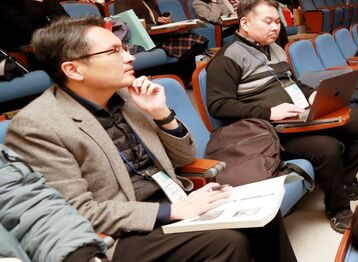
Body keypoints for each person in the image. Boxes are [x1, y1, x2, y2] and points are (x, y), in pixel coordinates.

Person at [5, 16, 297, 262]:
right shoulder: (38, 125)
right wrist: (172, 211)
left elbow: (186, 160)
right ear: (73, 69)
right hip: (120, 231)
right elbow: (77, 211)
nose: (129, 57)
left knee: (265, 214)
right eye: (114, 52)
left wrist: (161, 115)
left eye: (124, 48)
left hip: (173, 199)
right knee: (228, 242)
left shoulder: (128, 97)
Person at [205, 0, 358, 233]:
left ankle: (345, 182)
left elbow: (290, 82)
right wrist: (269, 112)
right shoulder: (226, 59)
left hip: (299, 115)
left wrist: (311, 94)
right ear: (244, 23)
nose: (275, 27)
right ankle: (338, 209)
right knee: (327, 148)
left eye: (277, 21)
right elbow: (219, 105)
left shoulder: (274, 48)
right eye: (268, 21)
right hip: (270, 130)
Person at [0, 143, 109, 261]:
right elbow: (82, 205)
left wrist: (79, 255)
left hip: (61, 244)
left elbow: (27, 205)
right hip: (103, 221)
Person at [113, 0, 208, 83]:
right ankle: (183, 77)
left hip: (160, 35)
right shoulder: (121, 2)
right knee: (194, 41)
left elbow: (156, 20)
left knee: (198, 40)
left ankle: (183, 76)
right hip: (145, 40)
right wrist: (155, 26)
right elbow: (129, 26)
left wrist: (164, 21)